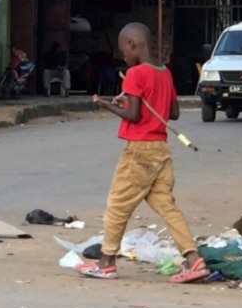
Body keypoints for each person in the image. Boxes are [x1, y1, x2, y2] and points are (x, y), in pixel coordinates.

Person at [75, 22, 209, 283]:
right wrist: (131, 103)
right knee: (167, 207)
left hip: (139, 151)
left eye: (123, 49)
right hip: (161, 150)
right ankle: (194, 260)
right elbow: (173, 113)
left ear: (133, 45)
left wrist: (106, 105)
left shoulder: (135, 73)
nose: (123, 55)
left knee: (117, 206)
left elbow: (134, 116)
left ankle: (106, 263)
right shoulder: (164, 72)